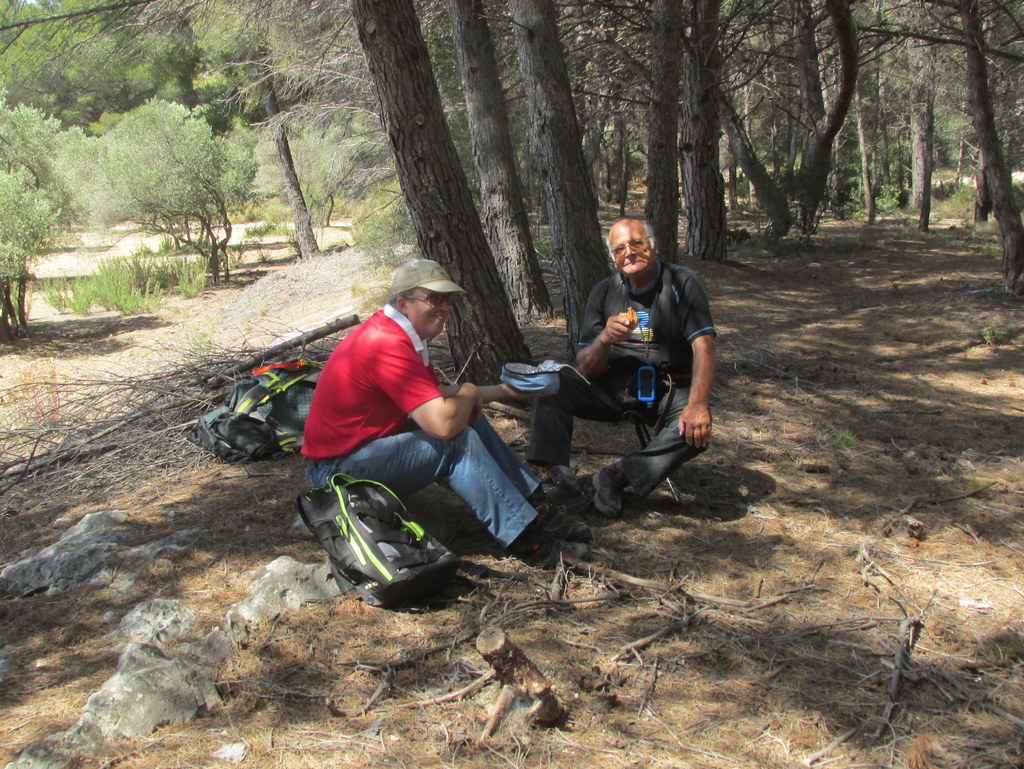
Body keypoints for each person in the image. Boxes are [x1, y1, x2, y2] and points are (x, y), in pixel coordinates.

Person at [301, 258, 592, 565]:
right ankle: (531, 541)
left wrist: (509, 391)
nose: (445, 308)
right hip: (337, 472)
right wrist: (467, 390)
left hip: (365, 452)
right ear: (403, 303)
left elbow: (437, 395)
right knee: (454, 443)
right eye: (434, 299)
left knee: (467, 420)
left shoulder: (398, 333)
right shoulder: (385, 342)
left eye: (448, 300)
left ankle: (536, 508)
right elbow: (442, 426)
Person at [526, 218, 717, 517]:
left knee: (693, 429)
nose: (629, 253)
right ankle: (555, 478)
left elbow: (703, 346)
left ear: (653, 247)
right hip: (613, 384)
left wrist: (698, 403)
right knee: (551, 382)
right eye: (620, 249)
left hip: (667, 388)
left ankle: (617, 476)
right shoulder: (604, 292)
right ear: (613, 258)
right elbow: (586, 368)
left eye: (637, 243)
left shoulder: (681, 282)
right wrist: (604, 339)